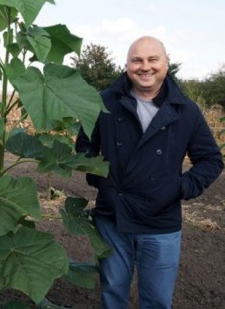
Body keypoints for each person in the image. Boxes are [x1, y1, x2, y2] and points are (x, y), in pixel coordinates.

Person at [75, 36, 223, 309]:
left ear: (165, 64)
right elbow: (85, 145)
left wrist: (179, 188)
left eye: (153, 59)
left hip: (160, 222)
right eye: (137, 60)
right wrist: (100, 178)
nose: (145, 67)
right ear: (127, 64)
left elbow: (211, 160)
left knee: (156, 300)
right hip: (112, 218)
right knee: (112, 294)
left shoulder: (185, 111)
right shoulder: (104, 102)